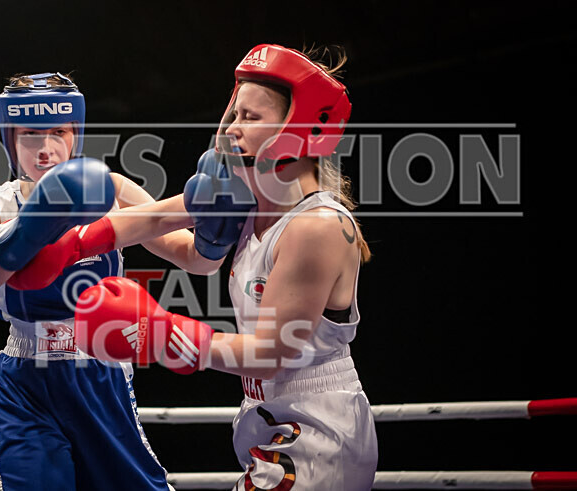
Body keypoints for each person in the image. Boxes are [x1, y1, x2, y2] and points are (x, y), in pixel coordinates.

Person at [70, 44, 379, 490]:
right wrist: (65, 243)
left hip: (317, 428)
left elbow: (271, 354)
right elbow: (162, 227)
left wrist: (163, 333)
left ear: (297, 130)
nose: (232, 128)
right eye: (235, 114)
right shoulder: (249, 203)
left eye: (250, 118)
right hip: (272, 417)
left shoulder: (316, 227)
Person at [0, 72, 217, 490]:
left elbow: (194, 259)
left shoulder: (111, 190)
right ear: (10, 138)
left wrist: (216, 234)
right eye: (30, 134)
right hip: (25, 381)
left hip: (100, 374)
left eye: (58, 131)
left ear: (75, 133)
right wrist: (31, 227)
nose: (45, 147)